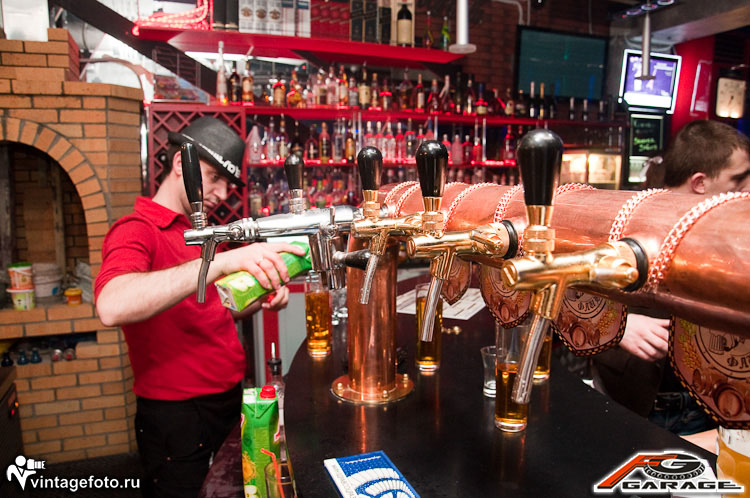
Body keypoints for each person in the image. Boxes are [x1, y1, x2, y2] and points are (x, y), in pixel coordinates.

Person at [95, 116, 306, 498]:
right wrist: (220, 262)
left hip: (226, 397)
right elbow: (111, 304)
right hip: (177, 416)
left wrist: (259, 300)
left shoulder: (201, 232)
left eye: (228, 184)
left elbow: (216, 308)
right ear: (181, 165)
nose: (222, 193)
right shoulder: (136, 229)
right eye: (214, 178)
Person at [593, 120, 750, 436]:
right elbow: (556, 292)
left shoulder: (733, 226)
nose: (747, 189)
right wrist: (616, 325)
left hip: (714, 405)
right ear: (700, 183)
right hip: (636, 404)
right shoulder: (624, 219)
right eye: (738, 179)